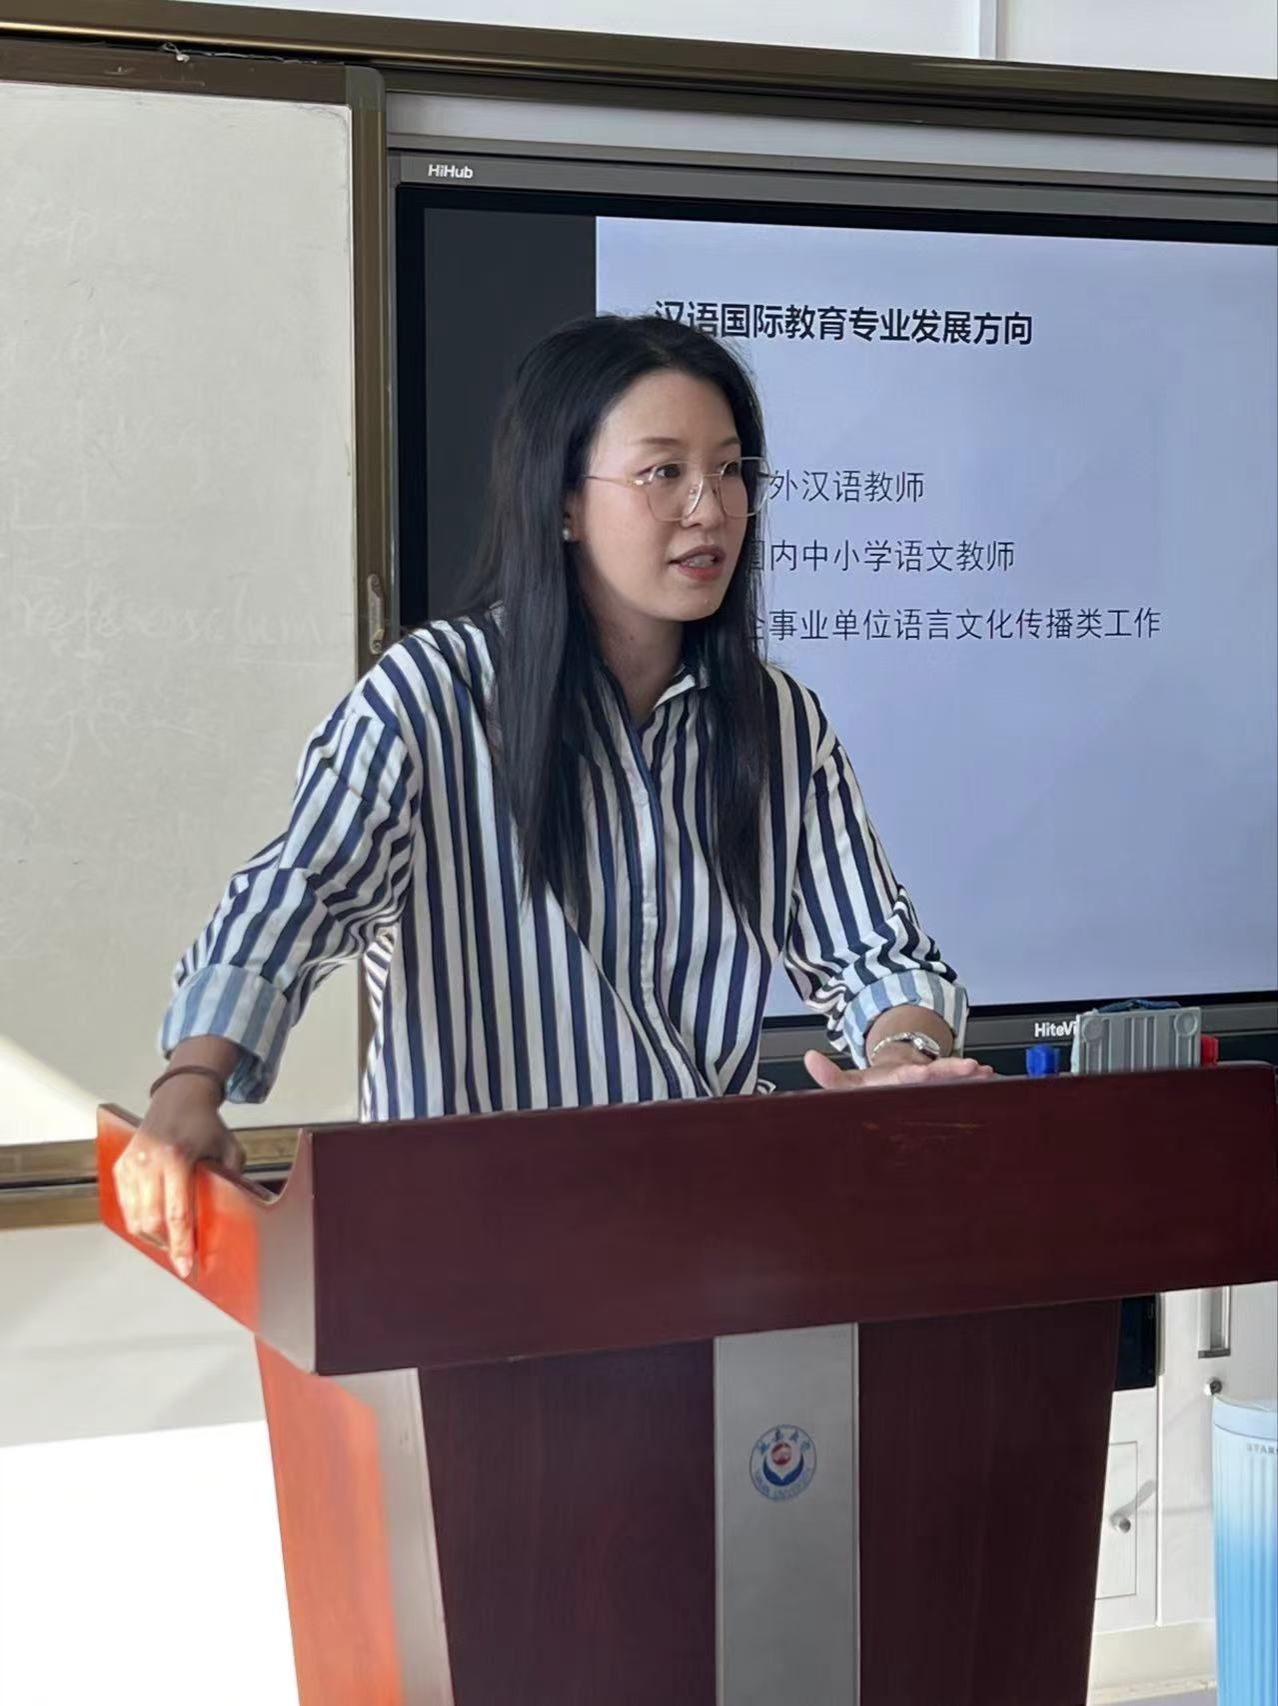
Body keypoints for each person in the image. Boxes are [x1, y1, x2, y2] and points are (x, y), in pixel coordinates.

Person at [115, 313, 991, 1275]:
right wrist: (191, 1081)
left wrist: (903, 1055)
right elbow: (304, 888)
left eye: (731, 470)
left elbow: (878, 956)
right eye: (664, 472)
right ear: (565, 502)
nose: (710, 509)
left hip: (706, 1248)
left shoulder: (774, 721)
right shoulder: (436, 696)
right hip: (470, 1259)